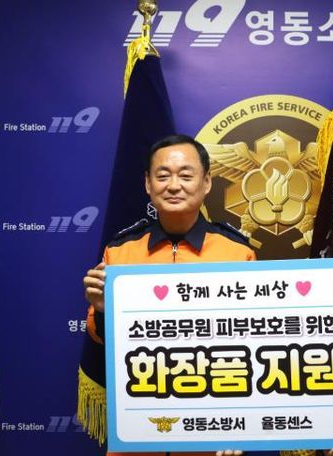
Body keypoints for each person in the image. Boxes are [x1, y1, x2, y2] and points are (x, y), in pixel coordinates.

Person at [81, 134, 255, 456]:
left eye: (186, 175)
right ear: (148, 184)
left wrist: (239, 425)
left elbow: (254, 345)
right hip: (139, 424)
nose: (174, 185)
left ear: (206, 183)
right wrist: (103, 310)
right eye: (163, 176)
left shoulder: (237, 252)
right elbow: (103, 340)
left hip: (212, 428)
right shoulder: (120, 250)